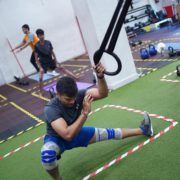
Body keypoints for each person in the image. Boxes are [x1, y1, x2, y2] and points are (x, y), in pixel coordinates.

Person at [41, 63, 154, 180]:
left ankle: (144, 130)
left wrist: (100, 77)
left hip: (77, 132)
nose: (72, 102)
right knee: (47, 154)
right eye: (68, 99)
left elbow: (102, 93)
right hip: (58, 139)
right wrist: (85, 113)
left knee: (110, 133)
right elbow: (67, 135)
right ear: (57, 94)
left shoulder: (79, 95)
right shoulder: (51, 108)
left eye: (74, 98)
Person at [34, 29, 79, 95]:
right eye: (40, 35)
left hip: (50, 61)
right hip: (43, 63)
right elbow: (36, 58)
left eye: (42, 34)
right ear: (37, 36)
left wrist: (56, 62)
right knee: (40, 77)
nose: (42, 36)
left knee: (62, 68)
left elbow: (53, 53)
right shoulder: (36, 46)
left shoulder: (48, 42)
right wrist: (40, 67)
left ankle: (75, 77)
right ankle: (41, 91)